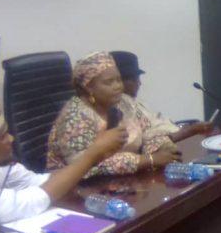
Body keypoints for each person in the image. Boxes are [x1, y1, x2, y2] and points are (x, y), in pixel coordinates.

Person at [0, 94, 127, 226]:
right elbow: (31, 202)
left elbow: (41, 182)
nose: (11, 138)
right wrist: (92, 154)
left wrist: (95, 156)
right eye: (2, 137)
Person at [47, 51, 180, 177]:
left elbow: (148, 130)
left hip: (125, 179)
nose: (118, 86)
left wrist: (163, 147)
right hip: (78, 187)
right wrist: (149, 160)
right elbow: (85, 165)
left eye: (118, 80)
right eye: (108, 82)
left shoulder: (123, 102)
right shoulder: (75, 118)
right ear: (89, 87)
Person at [110, 51, 215, 142]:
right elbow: (147, 143)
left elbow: (157, 124)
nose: (140, 83)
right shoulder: (121, 107)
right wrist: (191, 130)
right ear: (121, 81)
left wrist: (184, 129)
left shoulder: (135, 102)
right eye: (135, 79)